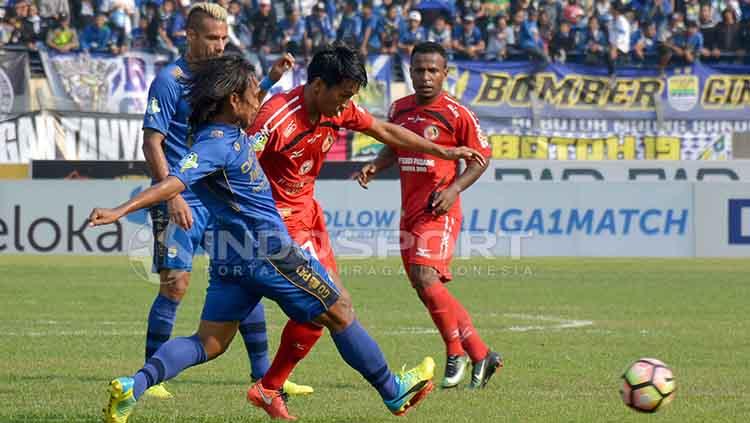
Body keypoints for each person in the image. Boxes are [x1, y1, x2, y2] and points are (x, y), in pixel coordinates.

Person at [91, 54, 437, 423]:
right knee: (340, 311)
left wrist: (269, 80)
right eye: (254, 96)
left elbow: (245, 118)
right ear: (234, 102)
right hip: (267, 251)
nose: (260, 103)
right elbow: (173, 183)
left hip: (230, 259)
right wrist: (121, 210)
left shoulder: (222, 133)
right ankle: (392, 390)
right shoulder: (216, 145)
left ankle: (133, 386)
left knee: (209, 342)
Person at [243, 43, 487, 417]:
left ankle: (269, 387)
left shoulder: (338, 108)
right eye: (342, 96)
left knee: (322, 311)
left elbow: (386, 131)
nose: (345, 107)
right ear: (319, 85)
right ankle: (391, 389)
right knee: (334, 306)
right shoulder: (276, 117)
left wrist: (443, 152)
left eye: (350, 98)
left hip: (310, 218)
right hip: (279, 229)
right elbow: (237, 165)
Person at [139, 2, 309, 401]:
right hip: (178, 196)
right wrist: (174, 193)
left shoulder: (221, 75)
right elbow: (152, 141)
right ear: (190, 35)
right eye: (212, 37)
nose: (219, 45)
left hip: (217, 202)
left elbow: (239, 111)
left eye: (223, 37)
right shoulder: (170, 80)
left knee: (241, 280)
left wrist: (267, 82)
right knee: (175, 286)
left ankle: (264, 376)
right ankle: (150, 376)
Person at [355, 41, 503, 390]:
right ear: (410, 71)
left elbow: (481, 157)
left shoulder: (457, 113)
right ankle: (481, 354)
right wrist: (377, 164)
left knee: (425, 276)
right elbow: (395, 144)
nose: (425, 77)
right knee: (425, 287)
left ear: (445, 73)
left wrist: (453, 189)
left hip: (440, 209)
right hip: (409, 211)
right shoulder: (399, 108)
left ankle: (456, 352)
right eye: (419, 70)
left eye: (432, 70)